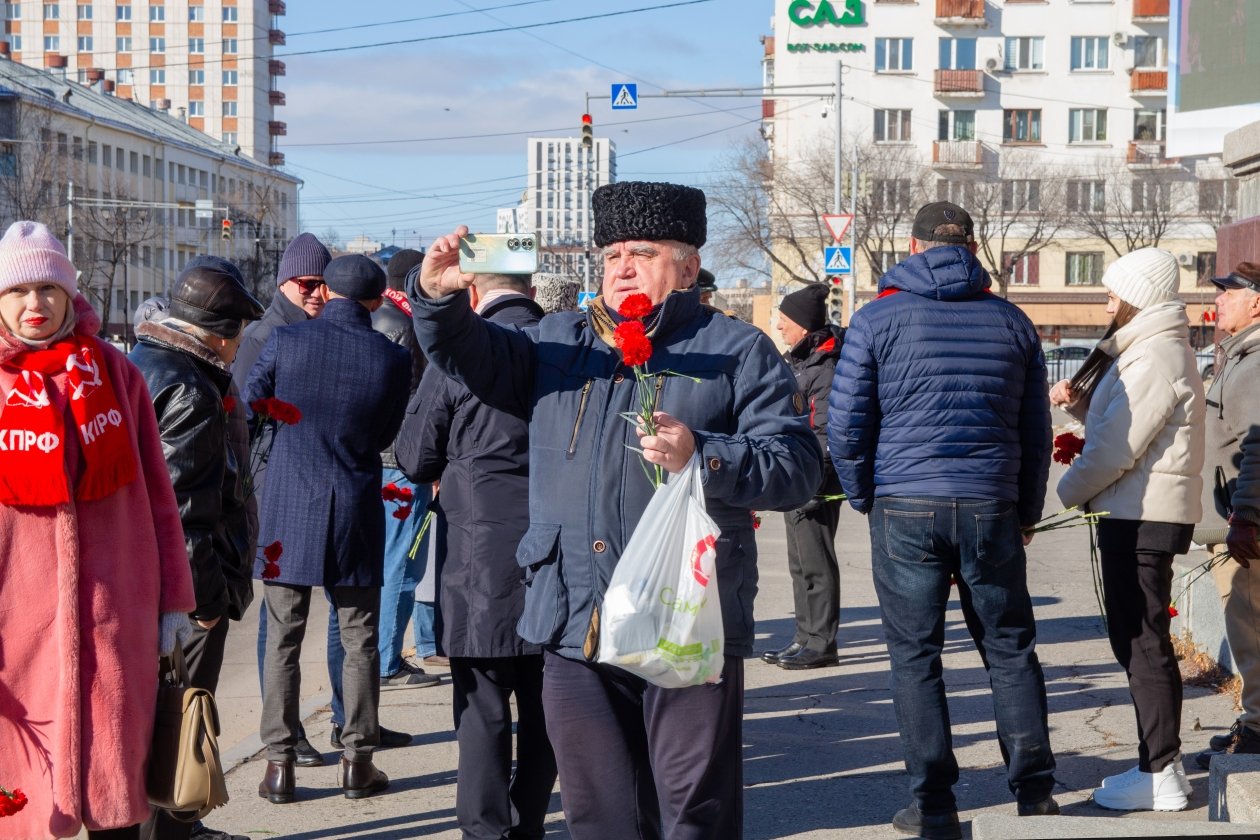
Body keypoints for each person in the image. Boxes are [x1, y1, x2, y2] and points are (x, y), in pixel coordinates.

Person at [411, 181, 821, 839]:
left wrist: (704, 455)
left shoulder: (737, 351)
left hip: (685, 624)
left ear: (687, 268)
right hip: (576, 621)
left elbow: (797, 467)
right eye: (612, 255)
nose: (622, 266)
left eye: (643, 252)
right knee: (599, 817)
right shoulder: (553, 344)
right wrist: (435, 300)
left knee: (691, 814)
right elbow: (469, 354)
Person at [829, 201, 1057, 839]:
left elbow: (846, 426)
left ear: (914, 244)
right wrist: (1027, 509)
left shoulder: (877, 318)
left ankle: (934, 806)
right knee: (1010, 646)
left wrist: (863, 495)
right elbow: (1035, 429)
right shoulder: (1012, 321)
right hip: (990, 501)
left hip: (904, 500)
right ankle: (1035, 793)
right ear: (973, 245)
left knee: (914, 654)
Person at [0, 221, 196, 839]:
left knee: (116, 798)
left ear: (69, 294)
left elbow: (161, 499)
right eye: (19, 291)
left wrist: (173, 602)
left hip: (116, 617)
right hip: (13, 627)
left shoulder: (115, 373)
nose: (36, 305)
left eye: (49, 289)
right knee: (24, 805)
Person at [398, 272, 557, 840]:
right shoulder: (565, 350)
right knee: (547, 709)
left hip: (479, 555)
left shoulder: (459, 356)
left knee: (483, 707)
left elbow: (414, 456)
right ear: (532, 289)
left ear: (471, 298)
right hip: (557, 554)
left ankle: (485, 831)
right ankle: (530, 823)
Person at [249, 254, 410, 803]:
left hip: (288, 504)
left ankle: (279, 765)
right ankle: (357, 760)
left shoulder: (288, 343)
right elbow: (386, 430)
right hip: (355, 503)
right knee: (360, 635)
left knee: (283, 636)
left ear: (328, 292)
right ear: (376, 299)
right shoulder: (391, 358)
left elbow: (249, 408)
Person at [1052, 247, 1205, 811]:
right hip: (1136, 509)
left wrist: (1067, 493)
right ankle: (1159, 765)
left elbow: (1119, 447)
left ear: (1138, 297)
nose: (1106, 302)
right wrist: (1081, 417)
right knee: (1137, 639)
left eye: (1114, 293)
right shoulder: (1147, 350)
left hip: (1142, 515)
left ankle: (1162, 771)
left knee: (1142, 643)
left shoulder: (1155, 353)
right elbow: (1124, 427)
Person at [130, 257, 264, 840]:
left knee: (152, 717)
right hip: (183, 590)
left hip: (144, 580)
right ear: (222, 332)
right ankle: (175, 829)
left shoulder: (143, 363)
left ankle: (175, 824)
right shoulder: (190, 387)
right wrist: (205, 598)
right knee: (182, 716)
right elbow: (187, 509)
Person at [233, 231, 341, 767]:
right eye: (309, 284)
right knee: (281, 616)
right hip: (273, 485)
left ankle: (288, 729)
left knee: (290, 615)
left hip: (295, 483)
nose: (319, 293)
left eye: (325, 284)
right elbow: (243, 417)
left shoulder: (303, 329)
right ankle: (283, 732)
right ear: (286, 283)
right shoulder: (268, 335)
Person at [1194, 263, 1260, 769]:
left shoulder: (1256, 361)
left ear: (1256, 302)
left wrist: (1247, 515)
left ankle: (1258, 728)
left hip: (1245, 524)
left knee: (1251, 626)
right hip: (1235, 516)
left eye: (1229, 293)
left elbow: (1257, 442)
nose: (1219, 300)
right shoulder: (1239, 354)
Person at [763, 283, 845, 670]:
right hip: (796, 476)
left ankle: (822, 642)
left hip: (815, 479)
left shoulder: (824, 366)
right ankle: (804, 636)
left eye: (784, 321)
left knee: (816, 560)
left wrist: (813, 481)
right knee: (800, 563)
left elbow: (826, 432)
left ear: (803, 325)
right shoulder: (801, 360)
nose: (779, 327)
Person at [371, 247, 442, 690]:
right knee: (402, 563)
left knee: (387, 560)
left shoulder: (379, 318)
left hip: (378, 461)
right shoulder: (410, 327)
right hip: (401, 464)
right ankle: (387, 660)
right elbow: (419, 407)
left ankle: (382, 656)